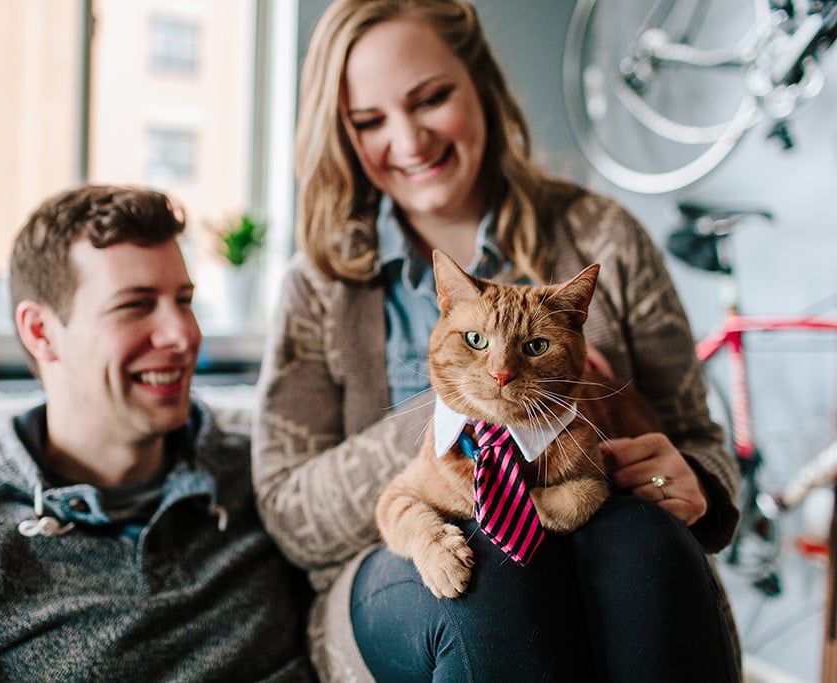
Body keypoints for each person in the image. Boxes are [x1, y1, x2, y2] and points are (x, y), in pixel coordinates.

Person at [252, 1, 742, 681]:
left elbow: (701, 441)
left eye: (431, 98)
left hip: (599, 548)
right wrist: (456, 410)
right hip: (403, 576)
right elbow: (286, 512)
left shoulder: (603, 236)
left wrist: (690, 482)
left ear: (480, 81)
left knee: (643, 539)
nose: (409, 139)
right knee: (488, 581)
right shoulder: (321, 283)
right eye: (369, 120)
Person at [0, 185, 315, 681]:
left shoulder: (263, 476)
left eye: (183, 300)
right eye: (136, 305)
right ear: (41, 332)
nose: (183, 335)